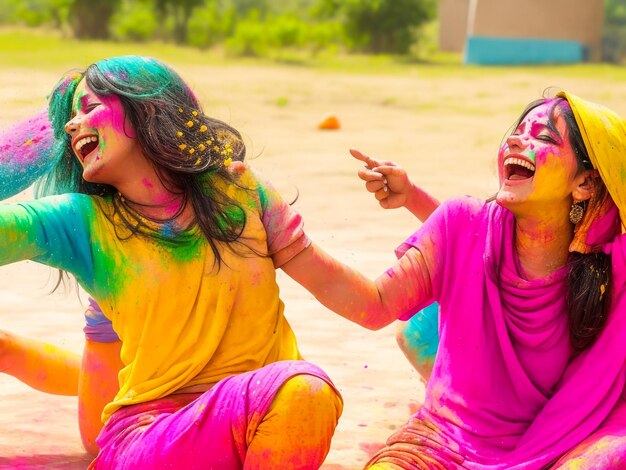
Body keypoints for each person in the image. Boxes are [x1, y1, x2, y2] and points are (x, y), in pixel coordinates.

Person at [0, 55, 343, 469]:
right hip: (149, 427)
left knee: (303, 391)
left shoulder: (239, 192)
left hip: (237, 412)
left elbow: (371, 303)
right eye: (70, 117)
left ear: (151, 111)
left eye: (88, 107)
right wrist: (33, 144)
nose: (73, 125)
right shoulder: (82, 220)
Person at [280, 91, 626, 468]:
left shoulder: (610, 269)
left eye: (543, 137)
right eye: (517, 132)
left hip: (558, 447)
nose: (515, 141)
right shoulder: (463, 222)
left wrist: (413, 197)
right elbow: (375, 303)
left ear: (587, 184)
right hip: (443, 441)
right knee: (413, 332)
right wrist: (285, 239)